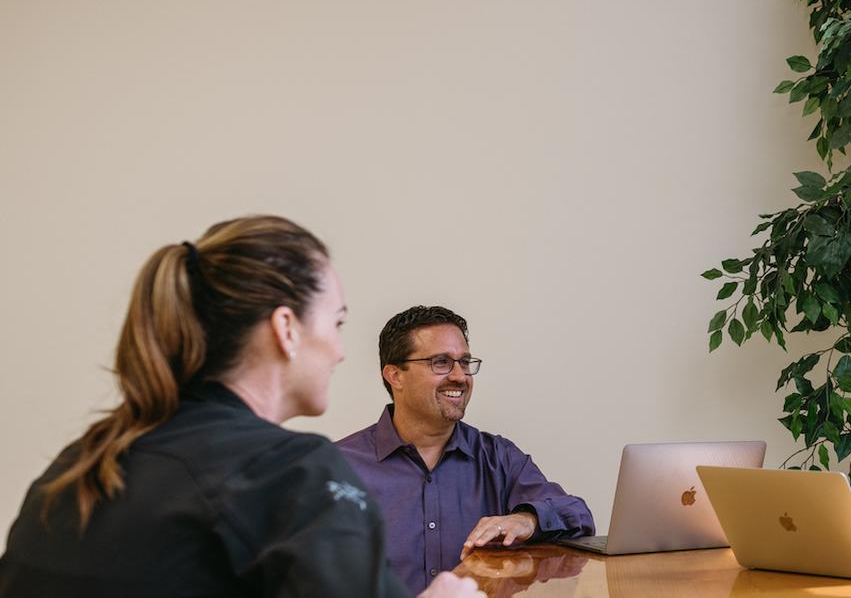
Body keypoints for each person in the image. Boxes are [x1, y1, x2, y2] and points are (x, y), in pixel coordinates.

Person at [0, 216, 480, 598]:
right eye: (336, 324)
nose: (339, 351)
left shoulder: (81, 462)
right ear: (286, 329)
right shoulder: (294, 473)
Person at [337, 306, 594, 593]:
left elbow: (578, 515)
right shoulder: (339, 467)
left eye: (465, 362)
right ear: (395, 376)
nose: (460, 376)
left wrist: (526, 519)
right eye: (441, 362)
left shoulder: (498, 458)